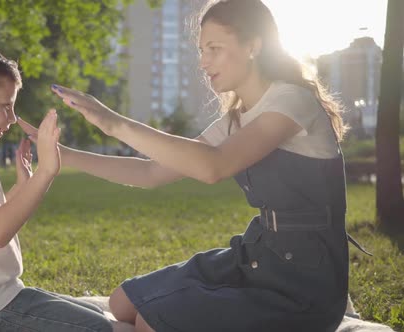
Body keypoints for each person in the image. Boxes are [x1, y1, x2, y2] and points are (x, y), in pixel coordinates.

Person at [19, 0, 361, 330]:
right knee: (122, 302)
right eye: (201, 50)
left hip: (303, 283)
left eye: (213, 48)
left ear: (253, 46)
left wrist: (113, 123)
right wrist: (63, 155)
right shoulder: (235, 121)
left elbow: (213, 166)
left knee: (151, 322)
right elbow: (150, 172)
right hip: (257, 255)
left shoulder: (291, 101)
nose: (203, 61)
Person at [0, 44, 112, 332]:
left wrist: (21, 186)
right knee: (100, 327)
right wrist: (46, 171)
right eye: (6, 106)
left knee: (92, 311)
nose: (13, 118)